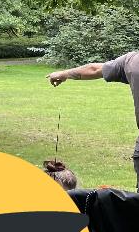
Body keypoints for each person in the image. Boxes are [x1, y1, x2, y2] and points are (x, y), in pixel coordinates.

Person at [49, 52, 139, 190]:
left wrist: (63, 74)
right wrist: (64, 74)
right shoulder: (131, 61)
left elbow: (95, 69)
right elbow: (95, 69)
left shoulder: (133, 61)